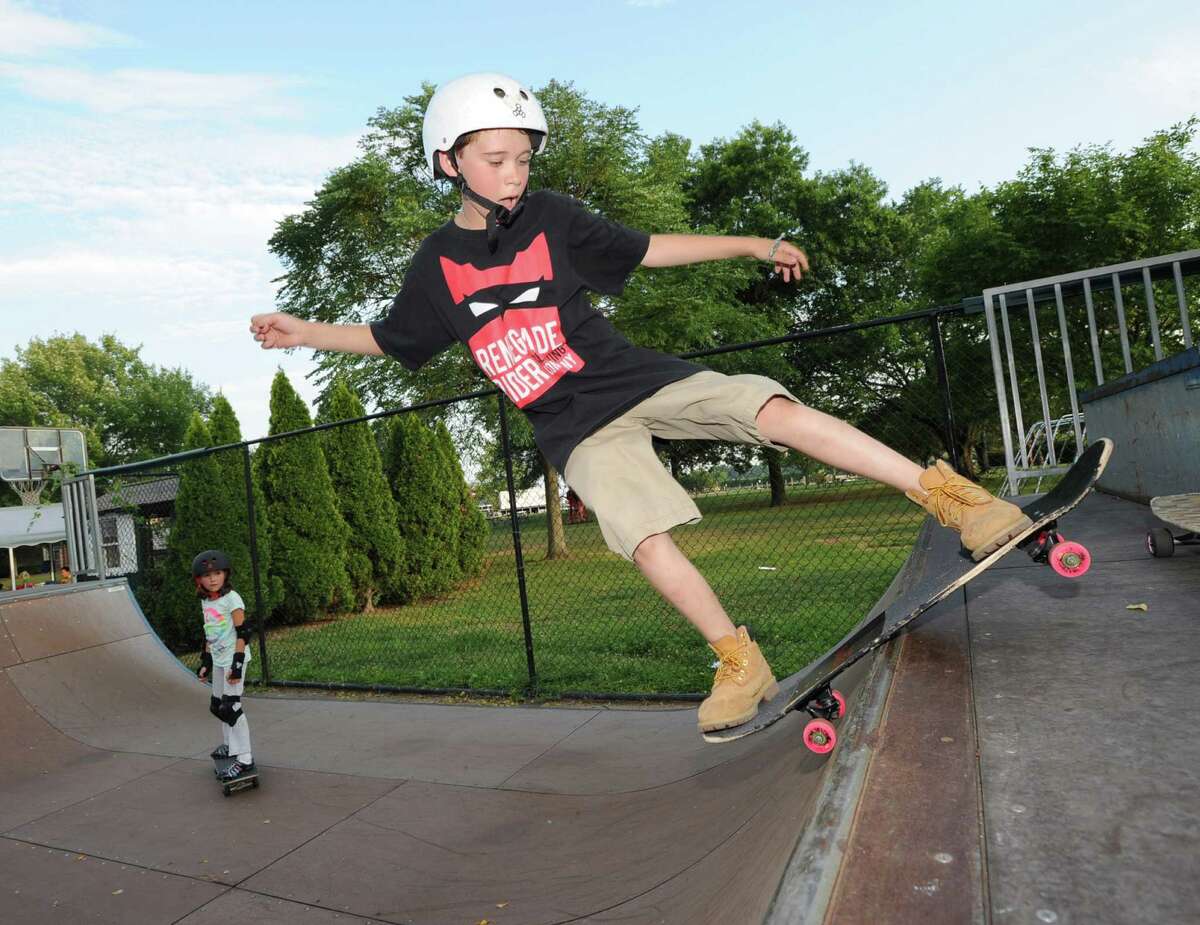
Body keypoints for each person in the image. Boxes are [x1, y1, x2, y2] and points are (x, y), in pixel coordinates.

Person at [249, 73, 1030, 733]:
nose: (515, 174)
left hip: (631, 375)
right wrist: (303, 332)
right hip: (571, 426)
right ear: (449, 162)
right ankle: (739, 660)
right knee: (642, 535)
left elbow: (650, 250)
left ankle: (955, 500)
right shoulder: (435, 267)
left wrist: (751, 244)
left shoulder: (554, 218)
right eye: (496, 159)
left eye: (523, 158)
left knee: (770, 408)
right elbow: (392, 338)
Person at [193, 549, 256, 781]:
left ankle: (245, 758)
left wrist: (237, 665)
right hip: (219, 659)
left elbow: (243, 633)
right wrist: (206, 662)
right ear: (199, 579)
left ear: (225, 574)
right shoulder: (206, 601)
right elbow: (210, 632)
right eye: (207, 575)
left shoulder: (232, 599)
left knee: (232, 707)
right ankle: (230, 746)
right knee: (217, 706)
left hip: (233, 659)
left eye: (217, 573)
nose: (213, 579)